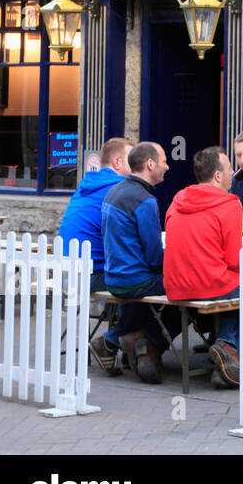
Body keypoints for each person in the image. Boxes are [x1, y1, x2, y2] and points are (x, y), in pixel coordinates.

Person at [101, 142, 181, 384]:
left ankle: (112, 341)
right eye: (164, 161)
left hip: (112, 277)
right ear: (150, 164)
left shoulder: (114, 191)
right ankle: (145, 341)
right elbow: (155, 258)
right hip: (135, 281)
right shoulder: (145, 201)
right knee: (186, 293)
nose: (167, 166)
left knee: (154, 293)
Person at [163, 146, 243, 388]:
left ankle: (151, 341)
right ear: (218, 176)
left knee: (223, 281)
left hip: (175, 286)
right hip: (210, 285)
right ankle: (227, 345)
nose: (233, 172)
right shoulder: (230, 204)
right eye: (229, 168)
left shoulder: (177, 200)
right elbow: (234, 260)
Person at [58, 137, 133, 376]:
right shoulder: (119, 188)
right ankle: (118, 341)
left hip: (68, 271)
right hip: (90, 274)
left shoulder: (88, 183)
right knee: (141, 282)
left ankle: (123, 343)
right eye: (133, 159)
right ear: (118, 161)